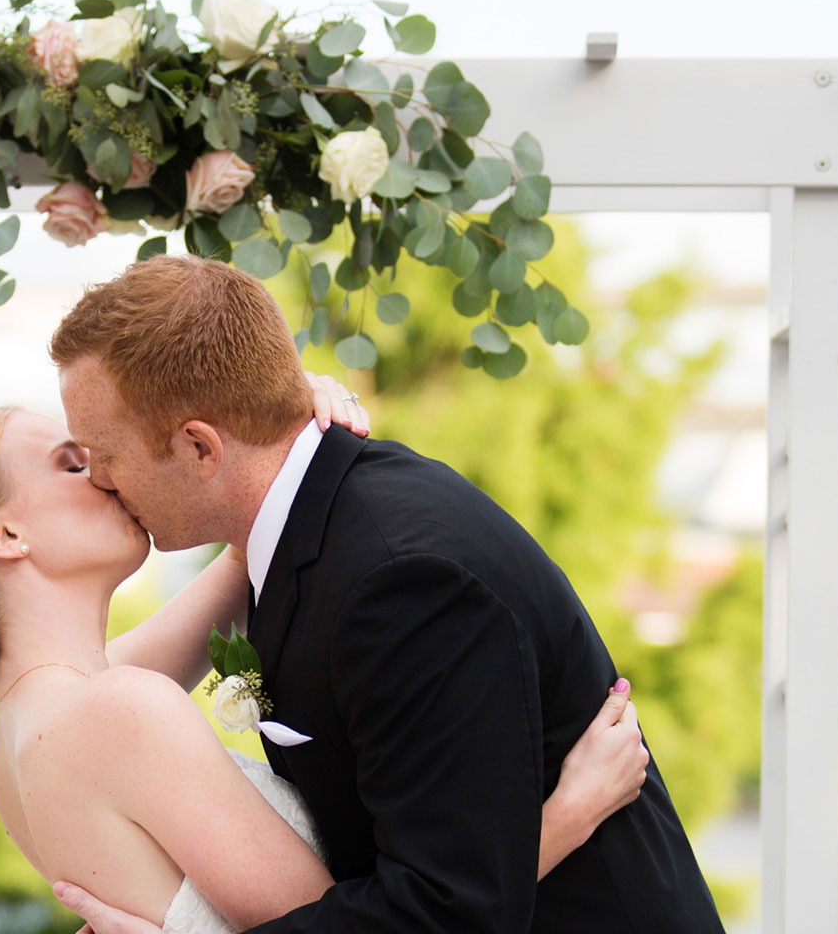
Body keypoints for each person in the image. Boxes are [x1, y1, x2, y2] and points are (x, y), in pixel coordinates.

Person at [44, 255, 726, 934]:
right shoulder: (302, 529)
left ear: (199, 448)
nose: (99, 480)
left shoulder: (401, 583)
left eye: (104, 454)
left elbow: (445, 911)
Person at [0, 398, 650, 933]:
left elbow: (251, 547)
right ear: (1, 534)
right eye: (72, 464)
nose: (109, 473)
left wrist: (278, 431)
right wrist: (564, 817)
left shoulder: (24, 744)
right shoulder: (115, 713)